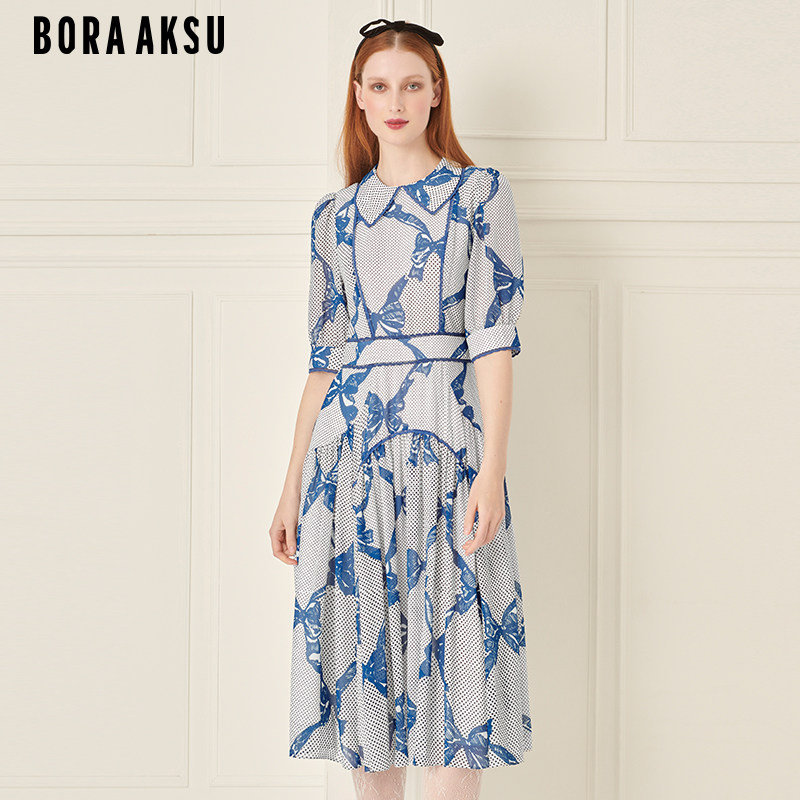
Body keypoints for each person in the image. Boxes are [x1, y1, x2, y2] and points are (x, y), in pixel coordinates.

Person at [269, 18, 532, 800]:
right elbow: (324, 363)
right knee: (364, 665)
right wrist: (289, 487)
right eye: (380, 86)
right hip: (348, 460)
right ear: (357, 96)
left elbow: (493, 341)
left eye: (412, 85)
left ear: (436, 93)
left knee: (458, 660)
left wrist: (492, 469)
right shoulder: (333, 219)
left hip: (446, 453)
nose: (396, 101)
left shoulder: (480, 196)